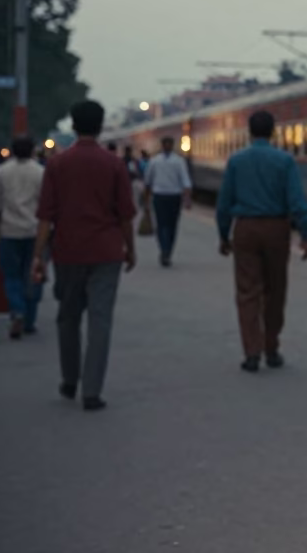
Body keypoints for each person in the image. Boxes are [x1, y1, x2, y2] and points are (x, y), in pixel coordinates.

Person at [33, 100, 137, 412]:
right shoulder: (114, 164)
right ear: (101, 125)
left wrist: (39, 256)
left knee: (68, 317)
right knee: (100, 322)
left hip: (67, 251)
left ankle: (69, 379)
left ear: (74, 126)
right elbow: (125, 215)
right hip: (106, 252)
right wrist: (129, 249)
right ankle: (92, 391)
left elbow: (45, 217)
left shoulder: (57, 165)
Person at [216, 111, 307, 372]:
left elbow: (224, 202)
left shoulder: (236, 161)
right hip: (276, 228)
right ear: (273, 132)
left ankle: (251, 352)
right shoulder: (285, 161)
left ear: (249, 132)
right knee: (275, 290)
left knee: (247, 291)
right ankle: (271, 348)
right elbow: (297, 201)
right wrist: (305, 234)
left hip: (245, 228)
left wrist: (223, 235)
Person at [0, 137, 45, 339]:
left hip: (9, 231)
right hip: (35, 231)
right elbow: (46, 205)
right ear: (33, 150)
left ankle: (17, 310)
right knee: (33, 274)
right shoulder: (41, 172)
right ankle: (29, 320)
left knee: (11, 276)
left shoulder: (2, 172)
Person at [143, 136, 192, 266]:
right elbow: (186, 182)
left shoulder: (155, 161)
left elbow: (147, 182)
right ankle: (166, 250)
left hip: (163, 197)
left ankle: (165, 250)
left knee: (164, 225)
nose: (168, 146)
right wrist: (187, 199)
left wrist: (146, 199)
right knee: (169, 225)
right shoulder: (178, 161)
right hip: (169, 197)